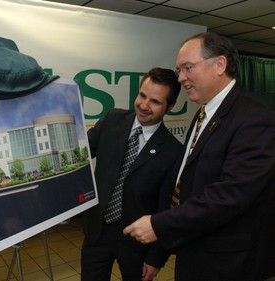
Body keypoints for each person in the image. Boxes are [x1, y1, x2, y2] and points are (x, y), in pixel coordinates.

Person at [124, 32, 275, 281]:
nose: (181, 78)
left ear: (220, 65)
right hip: (196, 250)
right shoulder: (204, 113)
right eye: (179, 70)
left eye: (188, 68)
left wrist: (161, 224)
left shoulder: (256, 118)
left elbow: (231, 195)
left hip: (229, 264)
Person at [81, 67, 183, 281]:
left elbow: (166, 209)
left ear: (170, 107)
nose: (144, 106)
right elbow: (80, 154)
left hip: (138, 243)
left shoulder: (173, 152)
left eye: (155, 102)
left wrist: (156, 258)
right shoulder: (112, 119)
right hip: (97, 231)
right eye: (142, 95)